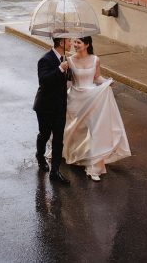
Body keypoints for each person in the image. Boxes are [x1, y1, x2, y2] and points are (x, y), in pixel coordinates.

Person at [63, 36, 131, 181]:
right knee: (75, 130)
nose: (75, 45)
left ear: (87, 45)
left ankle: (93, 166)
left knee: (94, 131)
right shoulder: (68, 60)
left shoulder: (95, 59)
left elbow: (97, 78)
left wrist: (107, 82)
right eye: (74, 42)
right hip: (76, 98)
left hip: (93, 98)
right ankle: (71, 153)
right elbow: (66, 79)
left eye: (79, 42)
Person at [33, 35, 71, 184]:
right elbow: (44, 81)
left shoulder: (65, 58)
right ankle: (40, 156)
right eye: (68, 41)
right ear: (61, 42)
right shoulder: (45, 59)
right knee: (44, 134)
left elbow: (65, 82)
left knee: (59, 138)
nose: (71, 43)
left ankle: (55, 171)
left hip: (60, 106)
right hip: (45, 106)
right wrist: (60, 69)